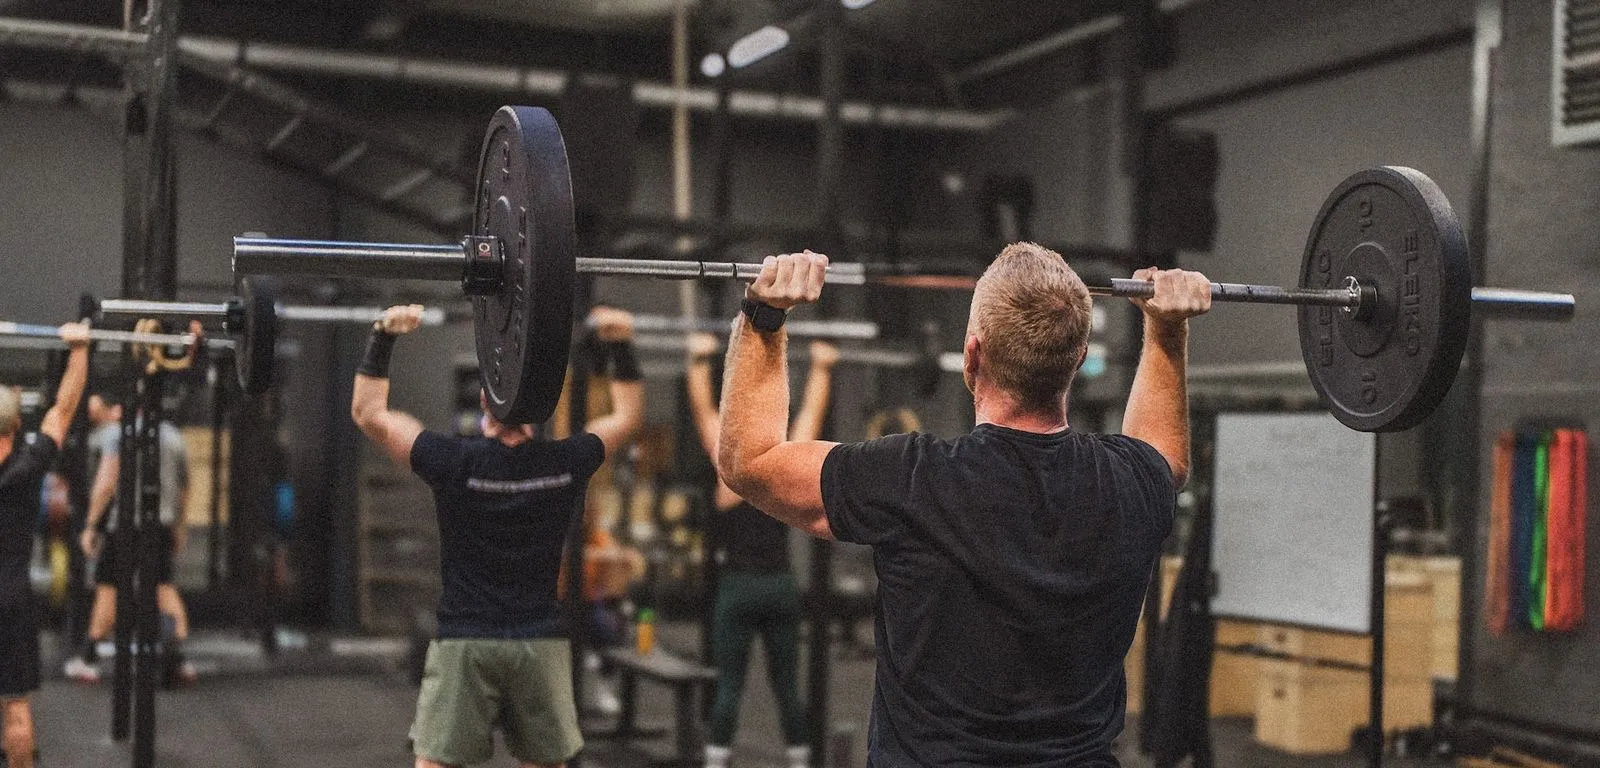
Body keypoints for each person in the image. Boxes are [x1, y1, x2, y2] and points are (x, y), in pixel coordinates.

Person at [715, 244, 1211, 766]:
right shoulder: (1129, 480)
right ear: (1078, 360)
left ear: (971, 355)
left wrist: (763, 316)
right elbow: (1166, 458)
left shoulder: (914, 479)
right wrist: (1167, 329)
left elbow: (748, 461)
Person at [352, 304, 644, 768]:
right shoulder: (564, 463)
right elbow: (628, 417)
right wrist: (622, 345)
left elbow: (369, 414)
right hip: (539, 643)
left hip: (467, 641)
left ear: (485, 402)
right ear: (539, 409)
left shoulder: (453, 461)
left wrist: (382, 337)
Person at [685, 332, 837, 768]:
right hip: (780, 585)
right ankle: (801, 761)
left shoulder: (728, 466)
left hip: (738, 588)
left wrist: (698, 361)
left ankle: (716, 763)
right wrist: (823, 367)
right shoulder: (786, 464)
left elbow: (703, 412)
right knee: (787, 684)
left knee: (729, 683)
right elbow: (811, 414)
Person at [0, 323, 90, 768]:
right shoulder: (29, 460)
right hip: (12, 598)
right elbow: (65, 407)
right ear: (17, 425)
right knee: (15, 709)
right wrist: (79, 349)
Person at [65, 390, 195, 686]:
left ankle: (87, 660)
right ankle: (179, 660)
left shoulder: (118, 436)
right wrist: (178, 526)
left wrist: (90, 526)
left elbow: (106, 483)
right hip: (158, 526)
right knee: (164, 590)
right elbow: (185, 489)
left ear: (125, 409)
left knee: (109, 590)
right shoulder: (174, 437)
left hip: (124, 527)